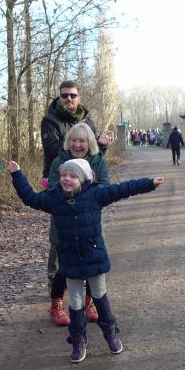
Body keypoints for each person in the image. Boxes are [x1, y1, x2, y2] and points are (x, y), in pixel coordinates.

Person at [9, 158, 165, 363]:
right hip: (70, 259)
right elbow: (31, 198)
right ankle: (78, 340)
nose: (66, 179)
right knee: (75, 302)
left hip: (93, 256)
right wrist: (17, 175)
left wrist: (149, 183)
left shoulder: (95, 194)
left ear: (83, 179)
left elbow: (123, 189)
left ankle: (110, 332)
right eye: (64, 175)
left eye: (73, 176)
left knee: (99, 296)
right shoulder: (54, 198)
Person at [40, 81, 110, 307]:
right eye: (64, 95)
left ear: (79, 97)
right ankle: (56, 298)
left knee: (90, 249)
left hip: (87, 203)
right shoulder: (50, 120)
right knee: (60, 247)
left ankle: (89, 301)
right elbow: (53, 150)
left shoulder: (87, 120)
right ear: (59, 97)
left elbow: (96, 159)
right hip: (60, 186)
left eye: (72, 95)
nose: (69, 99)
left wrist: (100, 147)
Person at [45, 124, 111, 325]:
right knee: (63, 267)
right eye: (73, 140)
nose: (77, 144)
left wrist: (86, 194)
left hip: (89, 223)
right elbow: (53, 189)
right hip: (63, 225)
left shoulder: (97, 161)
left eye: (82, 141)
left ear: (89, 143)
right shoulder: (60, 162)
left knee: (93, 263)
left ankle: (89, 302)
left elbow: (105, 187)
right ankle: (56, 304)